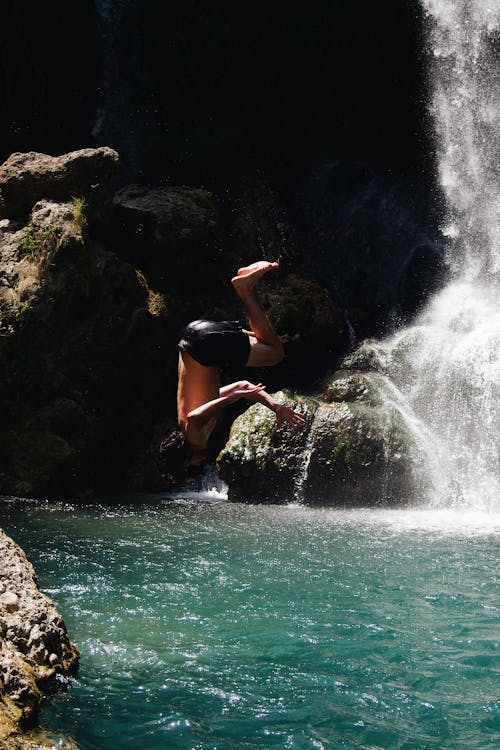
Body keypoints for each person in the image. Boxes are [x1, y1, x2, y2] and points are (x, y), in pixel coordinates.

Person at [159, 261, 305, 479]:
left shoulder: (194, 437)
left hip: (205, 349)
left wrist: (232, 398)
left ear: (186, 459)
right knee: (265, 341)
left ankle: (245, 289)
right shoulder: (194, 408)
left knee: (275, 353)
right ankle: (248, 282)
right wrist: (276, 407)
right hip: (194, 336)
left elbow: (194, 417)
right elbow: (244, 386)